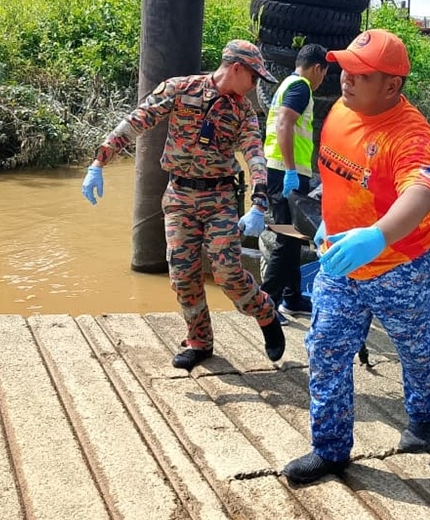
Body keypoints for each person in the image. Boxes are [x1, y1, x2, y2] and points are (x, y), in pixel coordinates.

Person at [282, 29, 430, 485]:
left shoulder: (410, 134)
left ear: (391, 86)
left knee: (414, 348)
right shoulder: (340, 110)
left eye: (359, 73)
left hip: (401, 265)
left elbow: (421, 191)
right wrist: (330, 225)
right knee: (326, 350)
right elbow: (337, 177)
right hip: (341, 262)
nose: (345, 79)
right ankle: (330, 450)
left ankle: (423, 414)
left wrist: (376, 235)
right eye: (344, 68)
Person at [81, 40, 286, 371]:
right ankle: (199, 340)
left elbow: (254, 154)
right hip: (179, 198)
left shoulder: (243, 111)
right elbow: (137, 121)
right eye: (254, 77)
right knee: (183, 275)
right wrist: (99, 161)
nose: (255, 85)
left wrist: (259, 204)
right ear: (236, 68)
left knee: (229, 274)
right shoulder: (180, 90)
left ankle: (266, 314)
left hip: (219, 199)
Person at [249, 43, 329, 323]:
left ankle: (292, 297)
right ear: (318, 68)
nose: (321, 82)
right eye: (323, 75)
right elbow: (284, 123)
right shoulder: (302, 87)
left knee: (294, 237)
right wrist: (292, 171)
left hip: (280, 169)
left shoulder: (287, 84)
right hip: (286, 172)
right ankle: (266, 300)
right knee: (288, 237)